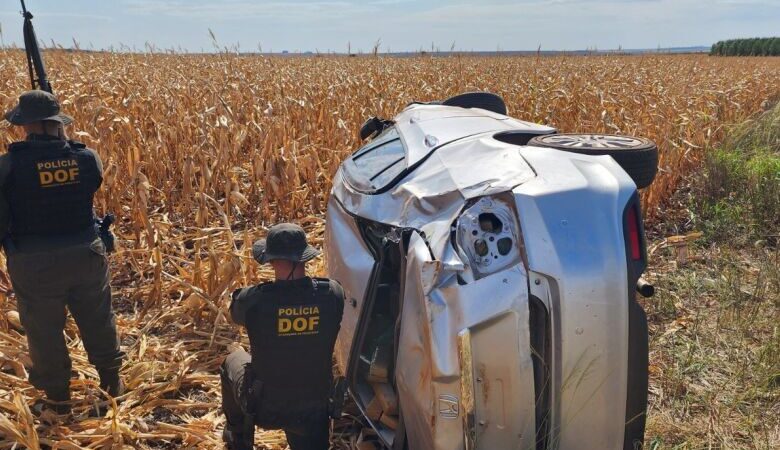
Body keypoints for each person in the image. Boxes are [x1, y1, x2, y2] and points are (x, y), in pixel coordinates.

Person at [0, 90, 125, 414]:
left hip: (34, 261)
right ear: (58, 123)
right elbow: (87, 182)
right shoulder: (87, 157)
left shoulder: (8, 165)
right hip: (86, 252)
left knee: (43, 329)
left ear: (25, 125)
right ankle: (113, 383)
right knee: (98, 317)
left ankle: (58, 399)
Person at [222, 223, 345, 450]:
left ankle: (237, 437)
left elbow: (235, 314)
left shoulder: (254, 301)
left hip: (263, 406)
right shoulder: (333, 295)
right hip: (314, 408)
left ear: (272, 260)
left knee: (233, 359)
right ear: (305, 258)